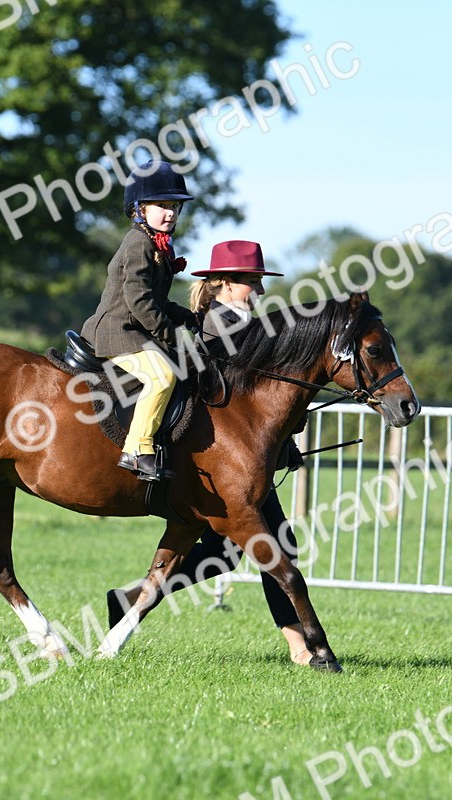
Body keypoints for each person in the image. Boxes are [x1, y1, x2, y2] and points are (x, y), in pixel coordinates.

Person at [107, 240, 315, 665]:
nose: (259, 289)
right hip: (219, 463)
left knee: (230, 553)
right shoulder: (220, 326)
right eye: (252, 281)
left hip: (238, 461)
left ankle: (132, 597)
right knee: (275, 546)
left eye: (260, 281)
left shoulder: (247, 326)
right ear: (225, 283)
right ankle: (301, 647)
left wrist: (286, 444)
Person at [80, 161, 198, 481]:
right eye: (162, 206)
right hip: (117, 331)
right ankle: (137, 449)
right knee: (162, 376)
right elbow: (139, 301)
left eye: (175, 206)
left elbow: (157, 300)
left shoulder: (156, 243)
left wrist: (188, 317)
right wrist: (171, 334)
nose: (171, 213)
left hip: (134, 329)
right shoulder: (138, 242)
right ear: (139, 209)